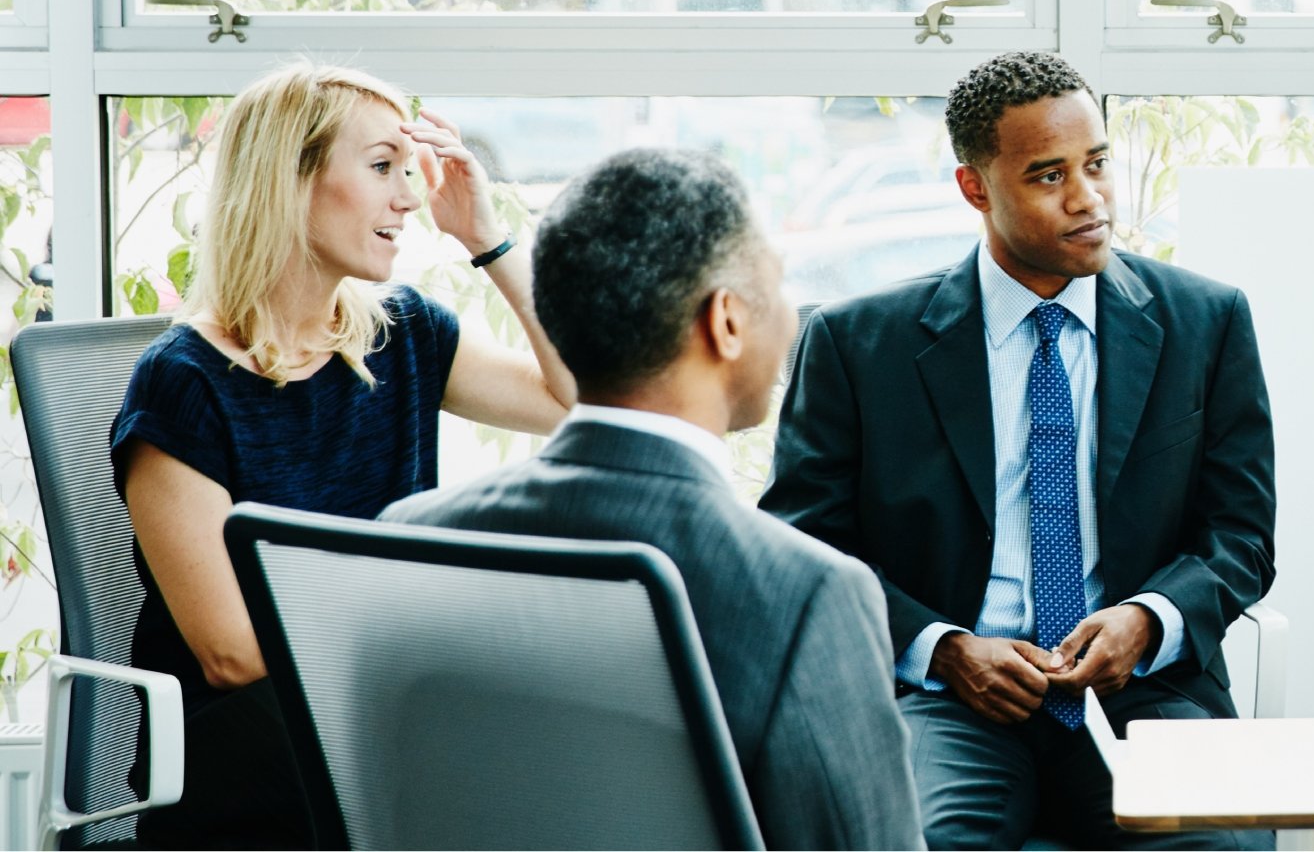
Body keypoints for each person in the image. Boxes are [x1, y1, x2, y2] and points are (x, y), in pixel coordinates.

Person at [760, 50, 1277, 851]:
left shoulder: (1205, 323)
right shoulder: (858, 345)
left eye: (1096, 164)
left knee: (1217, 847)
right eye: (1048, 176)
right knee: (920, 842)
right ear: (975, 187)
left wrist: (1147, 619)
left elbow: (1241, 537)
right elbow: (806, 549)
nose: (1088, 198)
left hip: (1146, 696)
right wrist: (943, 650)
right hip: (948, 703)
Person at [379, 147, 926, 850]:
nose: (792, 318)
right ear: (726, 322)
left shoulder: (412, 539)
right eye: (778, 286)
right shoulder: (806, 590)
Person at [110, 61, 574, 847]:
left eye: (409, 169)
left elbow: (574, 402)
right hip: (248, 755)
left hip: (380, 719)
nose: (410, 196)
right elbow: (232, 655)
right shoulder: (183, 382)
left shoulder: (403, 335)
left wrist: (487, 239)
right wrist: (422, 636)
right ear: (291, 181)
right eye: (383, 166)